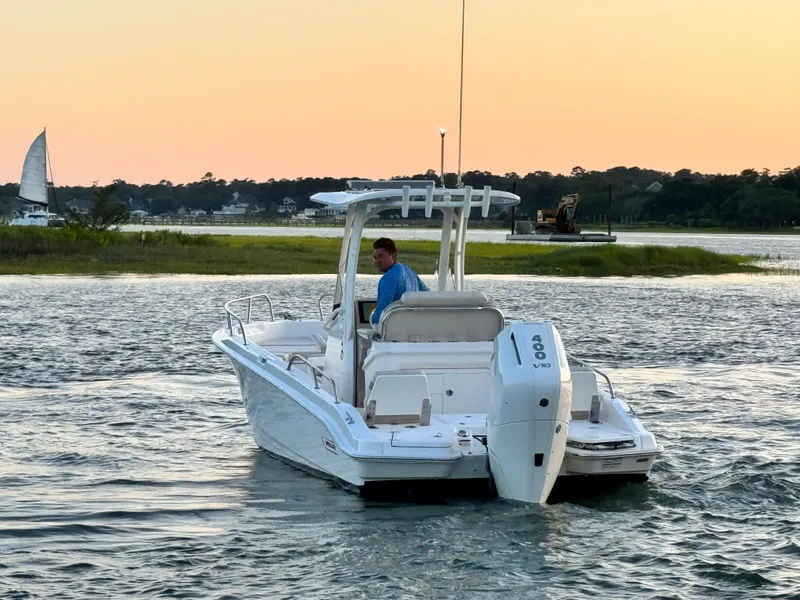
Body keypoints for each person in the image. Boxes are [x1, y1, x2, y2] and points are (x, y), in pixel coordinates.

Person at [370, 237, 428, 325]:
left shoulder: (388, 278)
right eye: (375, 257)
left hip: (395, 329)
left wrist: (374, 326)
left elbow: (383, 309)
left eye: (381, 256)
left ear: (393, 256)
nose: (377, 261)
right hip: (414, 324)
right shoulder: (409, 271)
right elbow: (427, 294)